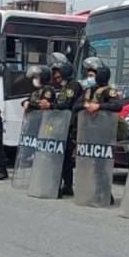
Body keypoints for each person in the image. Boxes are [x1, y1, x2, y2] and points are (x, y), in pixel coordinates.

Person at [73, 57, 122, 203]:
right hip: (89, 133)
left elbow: (117, 106)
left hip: (104, 134)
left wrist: (99, 107)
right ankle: (97, 191)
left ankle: (105, 193)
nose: (89, 78)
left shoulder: (109, 91)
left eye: (91, 75)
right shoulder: (87, 92)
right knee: (93, 165)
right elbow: (76, 106)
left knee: (102, 165)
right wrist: (86, 106)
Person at [47, 55, 83, 197]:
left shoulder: (73, 86)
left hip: (71, 127)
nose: (57, 80)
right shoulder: (63, 89)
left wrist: (50, 105)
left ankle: (68, 185)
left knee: (66, 158)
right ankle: (65, 184)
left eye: (59, 77)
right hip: (62, 128)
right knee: (63, 158)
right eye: (56, 78)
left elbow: (65, 104)